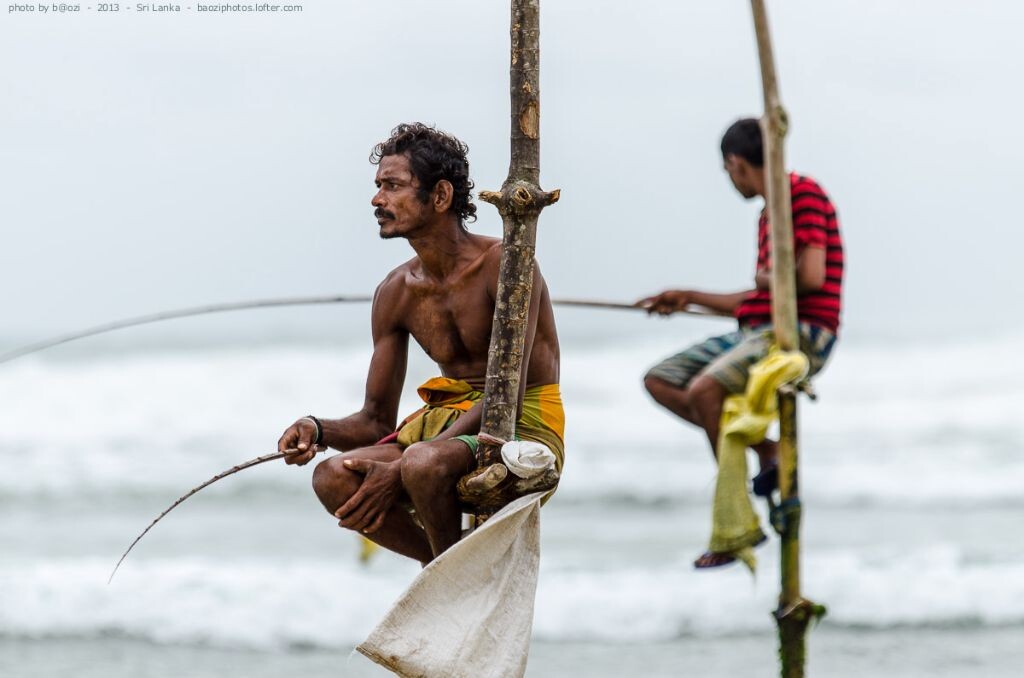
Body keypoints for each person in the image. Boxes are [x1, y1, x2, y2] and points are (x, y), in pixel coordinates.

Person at [276, 123, 564, 565]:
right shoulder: (395, 291)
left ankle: (452, 579)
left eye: (392, 186)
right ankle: (446, 569)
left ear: (441, 196)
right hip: (440, 434)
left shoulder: (503, 264)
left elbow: (507, 392)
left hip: (521, 422)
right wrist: (317, 428)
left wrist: (404, 467)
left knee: (420, 464)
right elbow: (374, 422)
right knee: (332, 476)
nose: (377, 200)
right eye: (377, 187)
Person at [637, 118, 843, 566]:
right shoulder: (769, 212)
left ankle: (736, 524)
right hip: (761, 328)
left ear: (735, 163)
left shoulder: (800, 194)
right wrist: (686, 297)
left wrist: (766, 276)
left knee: (705, 390)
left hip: (802, 333)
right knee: (660, 379)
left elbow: (809, 278)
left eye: (728, 170)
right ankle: (765, 450)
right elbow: (759, 298)